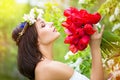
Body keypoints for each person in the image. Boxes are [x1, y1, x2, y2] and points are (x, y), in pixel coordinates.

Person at [12, 8, 105, 80]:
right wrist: (95, 46)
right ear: (34, 40)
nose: (51, 23)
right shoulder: (47, 68)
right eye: (43, 25)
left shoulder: (43, 68)